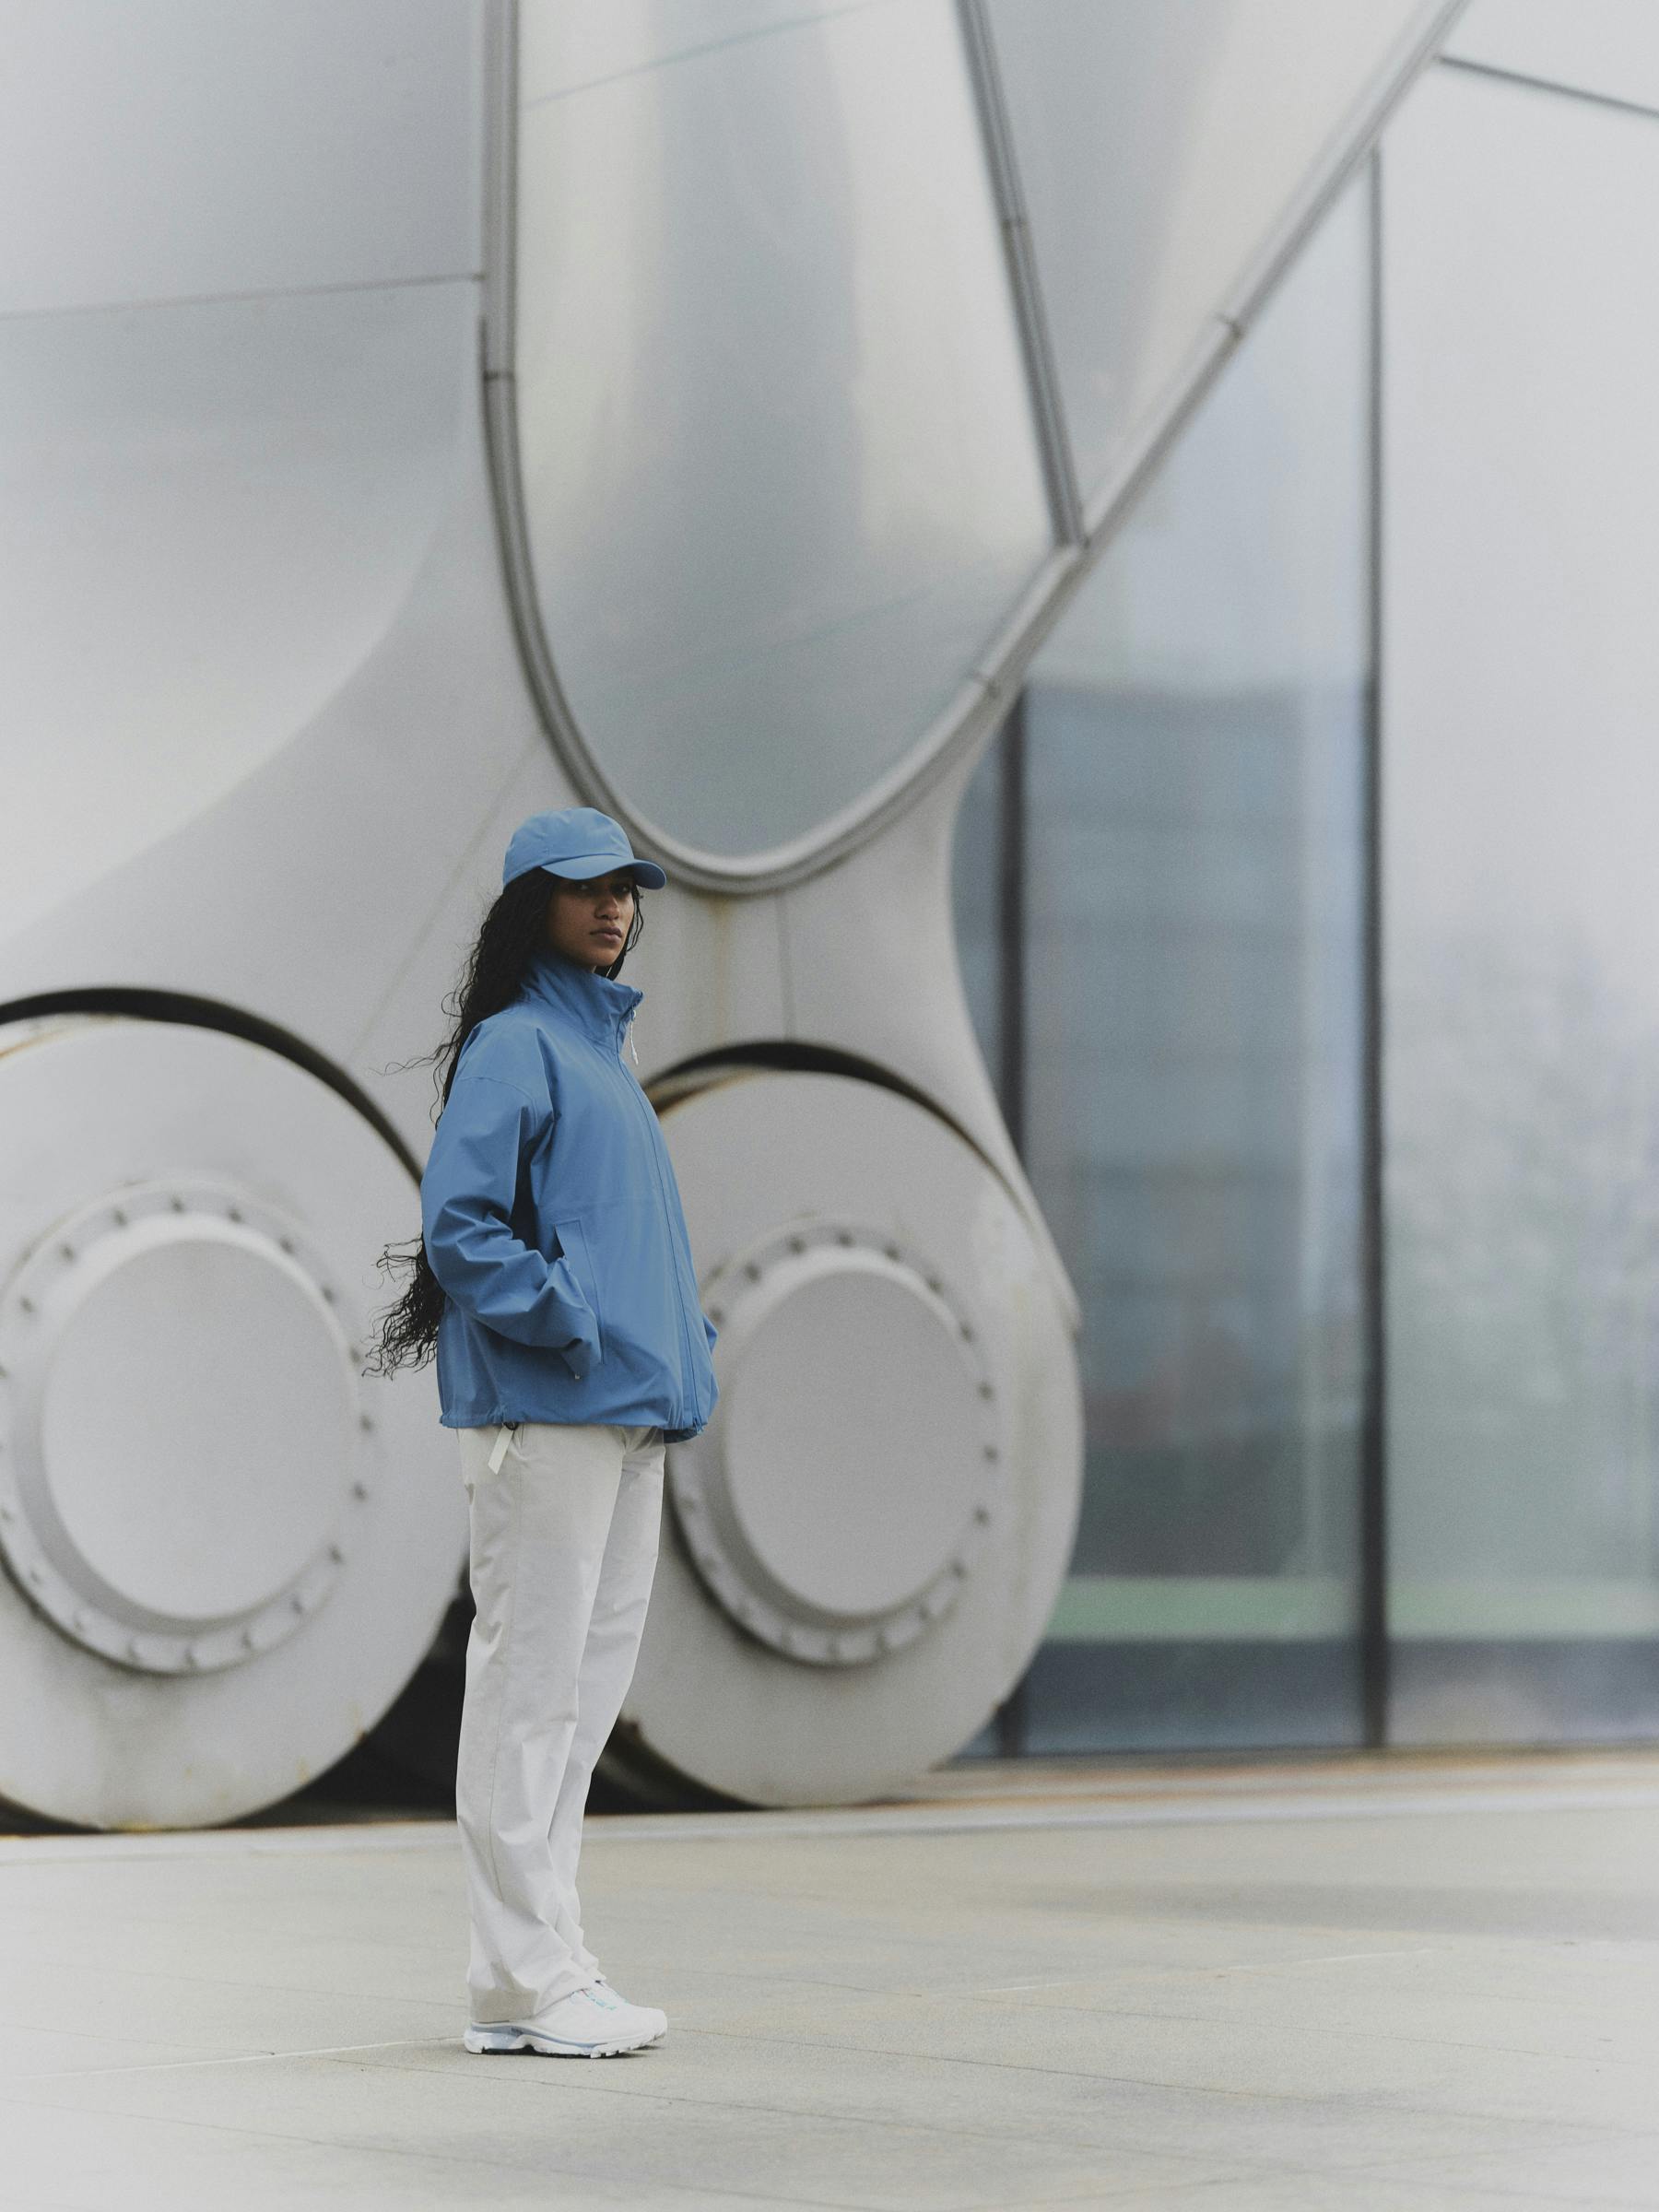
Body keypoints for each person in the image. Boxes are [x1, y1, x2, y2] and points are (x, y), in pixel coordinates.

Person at [368, 806, 720, 2058]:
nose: (614, 906)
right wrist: (569, 1321)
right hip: (550, 1412)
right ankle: (525, 1974)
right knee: (531, 1695)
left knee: (578, 1699)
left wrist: (682, 1353)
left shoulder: (604, 1061)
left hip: (624, 1416)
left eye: (627, 888)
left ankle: (539, 1969)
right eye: (586, 889)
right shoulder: (521, 1045)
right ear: (535, 908)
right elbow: (463, 1225)